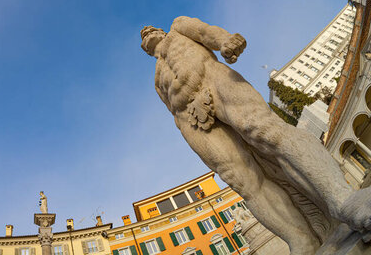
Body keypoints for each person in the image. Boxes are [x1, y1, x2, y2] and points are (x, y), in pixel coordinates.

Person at [141, 17, 371, 254]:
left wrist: (225, 41)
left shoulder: (177, 28)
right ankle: (301, 241)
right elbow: (171, 107)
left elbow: (205, 32)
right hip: (189, 118)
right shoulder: (157, 79)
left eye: (149, 29)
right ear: (145, 50)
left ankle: (343, 200)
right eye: (143, 36)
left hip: (210, 78)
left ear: (158, 29)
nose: (146, 33)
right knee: (240, 179)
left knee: (265, 131)